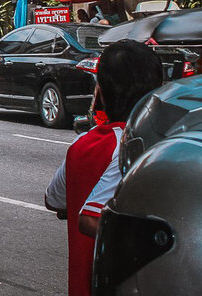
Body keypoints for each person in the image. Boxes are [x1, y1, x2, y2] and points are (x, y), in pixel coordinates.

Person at [44, 39, 162, 296]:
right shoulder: (141, 146)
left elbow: (53, 199)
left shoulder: (81, 145)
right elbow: (89, 217)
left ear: (102, 91)